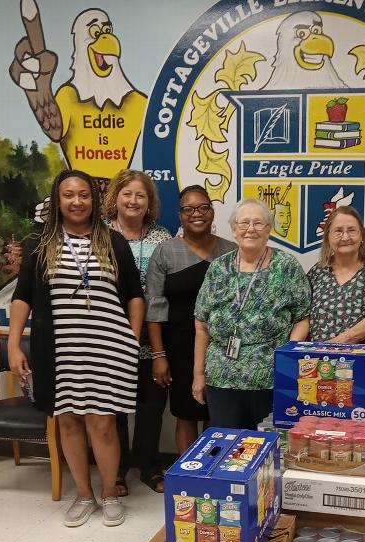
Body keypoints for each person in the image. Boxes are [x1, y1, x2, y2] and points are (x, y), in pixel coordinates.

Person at [8, 169, 144, 528]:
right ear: (57, 200)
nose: (77, 201)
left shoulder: (113, 241)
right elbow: (22, 297)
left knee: (103, 423)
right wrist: (13, 345)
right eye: (68, 195)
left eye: (84, 194)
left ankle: (110, 493)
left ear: (94, 200)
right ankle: (84, 495)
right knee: (68, 421)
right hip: (59, 351)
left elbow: (135, 295)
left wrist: (132, 339)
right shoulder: (40, 244)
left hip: (108, 348)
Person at [193, 198, 310, 429]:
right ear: (233, 229)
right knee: (227, 444)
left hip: (271, 378)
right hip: (221, 377)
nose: (251, 229)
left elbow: (302, 318)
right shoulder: (218, 268)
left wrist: (284, 359)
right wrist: (198, 375)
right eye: (244, 223)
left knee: (268, 444)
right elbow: (201, 325)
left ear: (268, 229)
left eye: (258, 223)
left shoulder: (287, 266)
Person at [145, 185, 236, 454]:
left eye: (203, 207)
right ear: (180, 215)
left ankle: (213, 471)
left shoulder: (231, 252)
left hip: (221, 350)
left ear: (212, 211)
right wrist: (159, 355)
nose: (197, 213)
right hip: (179, 348)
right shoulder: (165, 252)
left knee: (216, 414)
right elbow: (154, 307)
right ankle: (188, 470)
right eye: (189, 209)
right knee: (185, 415)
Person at [102, 169, 173, 493]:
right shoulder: (100, 235)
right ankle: (115, 469)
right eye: (127, 194)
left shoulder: (162, 238)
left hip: (152, 338)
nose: (133, 201)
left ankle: (148, 465)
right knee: (112, 406)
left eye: (140, 195)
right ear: (115, 198)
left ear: (149, 202)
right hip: (110, 336)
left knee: (151, 406)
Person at [306, 206, 365, 343]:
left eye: (351, 230)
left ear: (362, 236)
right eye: (338, 231)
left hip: (361, 355)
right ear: (328, 237)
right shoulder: (317, 271)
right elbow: (303, 315)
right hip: (317, 356)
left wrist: (334, 345)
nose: (345, 237)